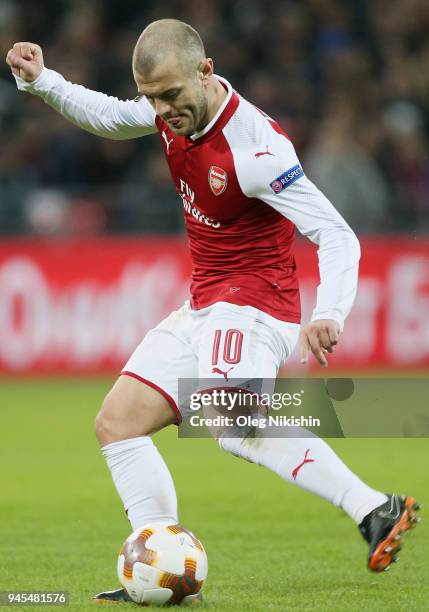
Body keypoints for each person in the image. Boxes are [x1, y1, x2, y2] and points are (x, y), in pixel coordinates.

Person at [6, 19, 419, 604]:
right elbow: (106, 117)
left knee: (230, 421)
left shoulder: (258, 149)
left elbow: (335, 233)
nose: (162, 110)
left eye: (171, 95)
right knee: (117, 424)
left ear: (205, 72)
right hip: (205, 303)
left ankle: (374, 507)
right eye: (151, 97)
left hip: (255, 304)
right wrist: (43, 80)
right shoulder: (165, 108)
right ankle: (161, 567)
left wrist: (331, 311)